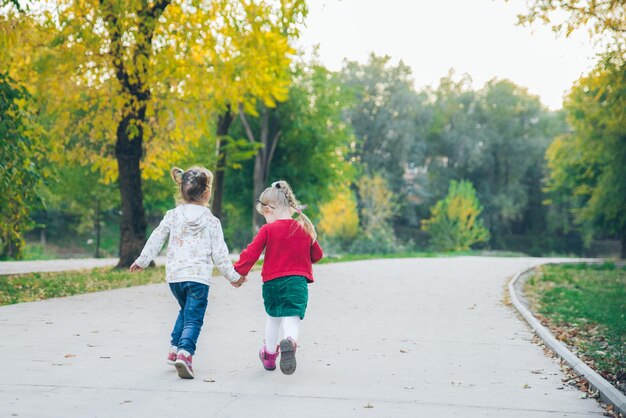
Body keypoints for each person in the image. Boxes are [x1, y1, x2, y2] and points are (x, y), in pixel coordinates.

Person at [130, 166, 246, 379]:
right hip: (198, 278)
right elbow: (220, 254)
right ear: (206, 193)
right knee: (194, 318)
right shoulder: (211, 220)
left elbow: (157, 237)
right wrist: (234, 277)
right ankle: (185, 353)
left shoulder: (172, 216)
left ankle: (174, 350)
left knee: (185, 310)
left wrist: (142, 260)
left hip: (175, 278)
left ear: (182, 190)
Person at [234, 180, 323, 375]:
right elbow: (317, 255)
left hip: (272, 284)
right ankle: (290, 342)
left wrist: (237, 272)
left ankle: (269, 355)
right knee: (291, 319)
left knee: (273, 319)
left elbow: (251, 253)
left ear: (270, 210)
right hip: (297, 283)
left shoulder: (268, 230)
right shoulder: (304, 228)